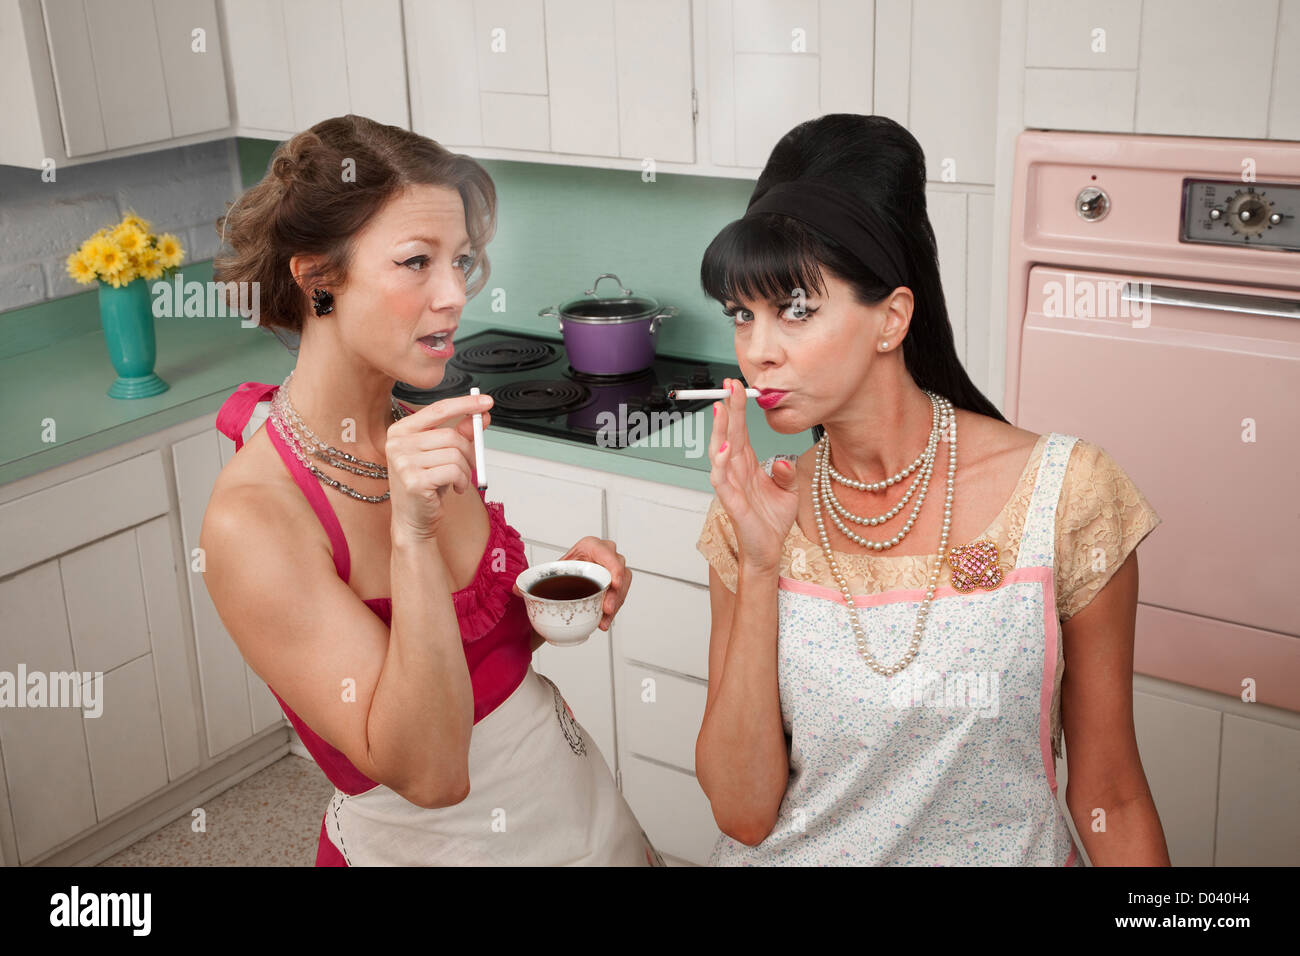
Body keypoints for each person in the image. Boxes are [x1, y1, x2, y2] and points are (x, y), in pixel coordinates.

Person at [693, 114, 1170, 866]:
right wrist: (757, 563)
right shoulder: (753, 514)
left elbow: (1111, 792)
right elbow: (743, 812)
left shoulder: (1069, 498)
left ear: (892, 318)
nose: (758, 352)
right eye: (741, 316)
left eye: (795, 311)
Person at [200, 114, 662, 866]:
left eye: (462, 260)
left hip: (579, 809)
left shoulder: (422, 428)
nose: (454, 294)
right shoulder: (255, 521)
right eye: (417, 262)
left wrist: (553, 594)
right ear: (318, 280)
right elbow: (431, 771)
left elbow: (469, 649)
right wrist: (409, 537)